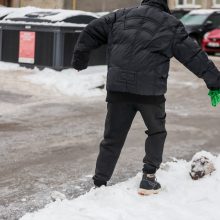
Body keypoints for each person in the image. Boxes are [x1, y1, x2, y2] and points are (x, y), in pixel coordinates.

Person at [71, 0, 220, 195]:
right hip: (150, 93)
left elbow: (91, 30)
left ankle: (99, 183)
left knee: (112, 137)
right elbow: (194, 56)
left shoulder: (120, 15)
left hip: (118, 89)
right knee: (156, 132)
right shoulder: (170, 24)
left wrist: (80, 59)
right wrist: (214, 81)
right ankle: (148, 179)